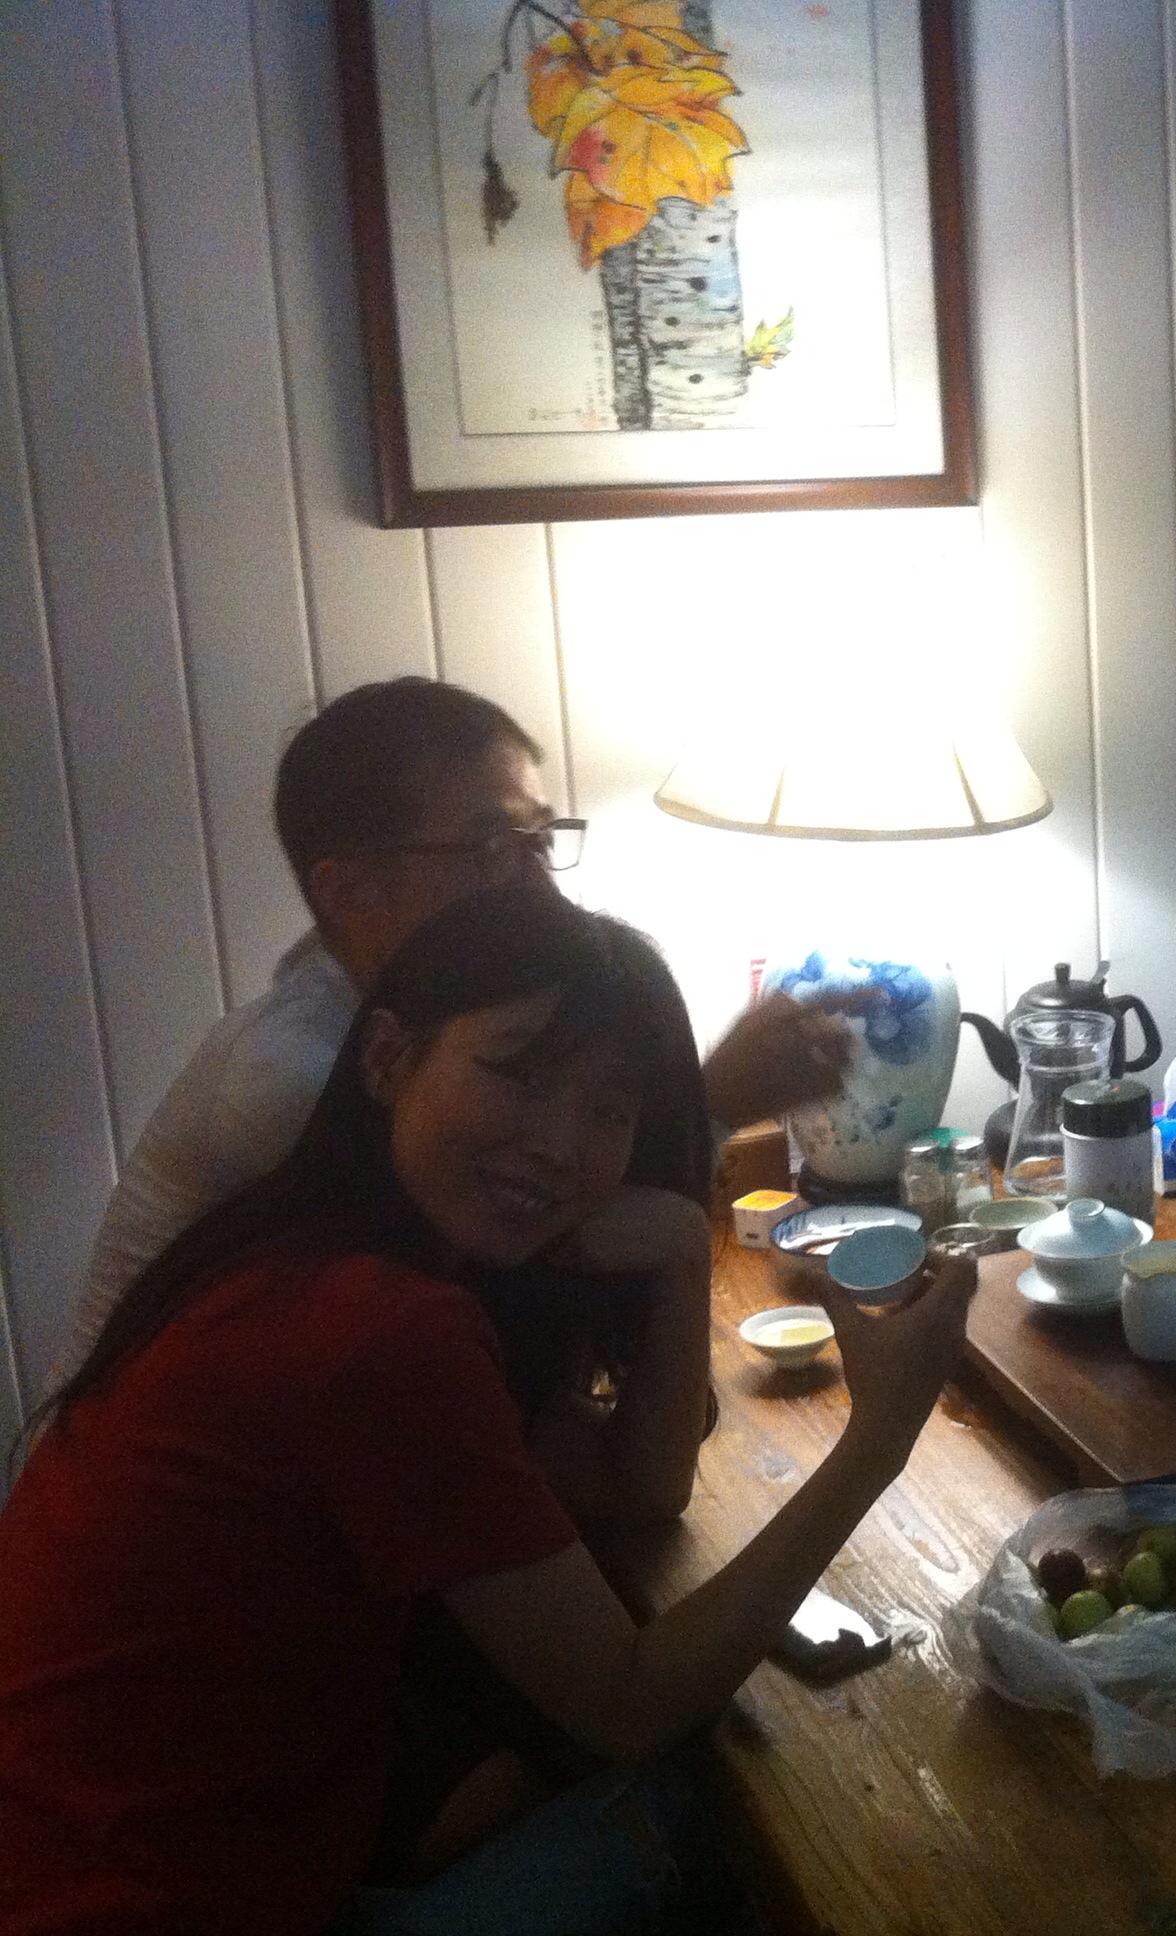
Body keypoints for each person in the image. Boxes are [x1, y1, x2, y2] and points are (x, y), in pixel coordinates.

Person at [0, 884, 978, 1933]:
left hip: (110, 1852)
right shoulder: (373, 1331)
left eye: (608, 1109)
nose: (560, 1143)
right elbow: (631, 1704)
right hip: (123, 1903)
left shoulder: (314, 1248)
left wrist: (681, 1250)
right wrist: (877, 1440)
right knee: (751, 1815)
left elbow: (640, 1489)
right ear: (388, 1058)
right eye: (519, 1073)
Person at [67, 677, 857, 1374]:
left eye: (539, 839)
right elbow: (528, 1285)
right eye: (493, 848)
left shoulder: (402, 1003)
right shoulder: (292, 1076)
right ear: (350, 895)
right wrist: (706, 1107)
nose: (542, 890)